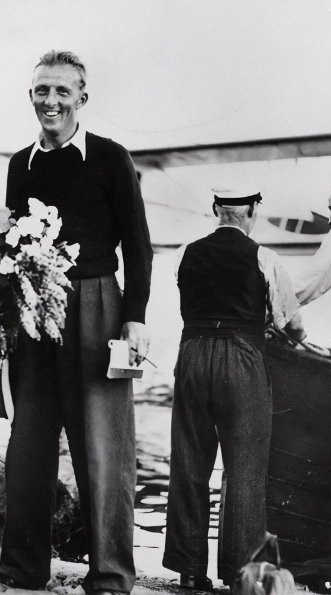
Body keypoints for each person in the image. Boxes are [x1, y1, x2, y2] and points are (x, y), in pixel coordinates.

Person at [0, 50, 152, 593]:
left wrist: (135, 318)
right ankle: (23, 568)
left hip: (98, 305)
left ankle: (109, 576)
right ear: (30, 96)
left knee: (103, 444)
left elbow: (138, 244)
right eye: (41, 91)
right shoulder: (20, 164)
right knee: (30, 437)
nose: (51, 101)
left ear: (83, 97)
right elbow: (11, 243)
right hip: (34, 311)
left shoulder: (110, 157)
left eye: (62, 91)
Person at [164, 189, 305, 588]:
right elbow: (292, 326)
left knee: (189, 464)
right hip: (241, 362)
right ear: (254, 210)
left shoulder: (184, 253)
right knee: (244, 469)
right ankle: (240, 575)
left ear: (215, 210)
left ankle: (190, 572)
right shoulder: (265, 258)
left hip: (191, 357)